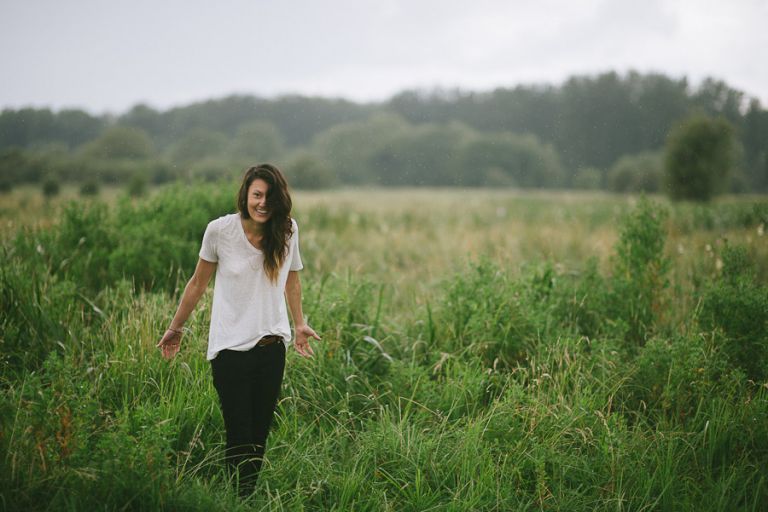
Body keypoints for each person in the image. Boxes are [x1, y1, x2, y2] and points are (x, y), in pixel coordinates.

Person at [156, 163, 321, 497]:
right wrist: (176, 328)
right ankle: (236, 497)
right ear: (245, 193)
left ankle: (244, 497)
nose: (262, 203)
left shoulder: (287, 230)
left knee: (259, 434)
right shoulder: (219, 231)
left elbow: (292, 278)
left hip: (272, 348)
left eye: (270, 197)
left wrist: (299, 323)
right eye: (257, 195)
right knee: (239, 432)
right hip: (230, 350)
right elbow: (197, 283)